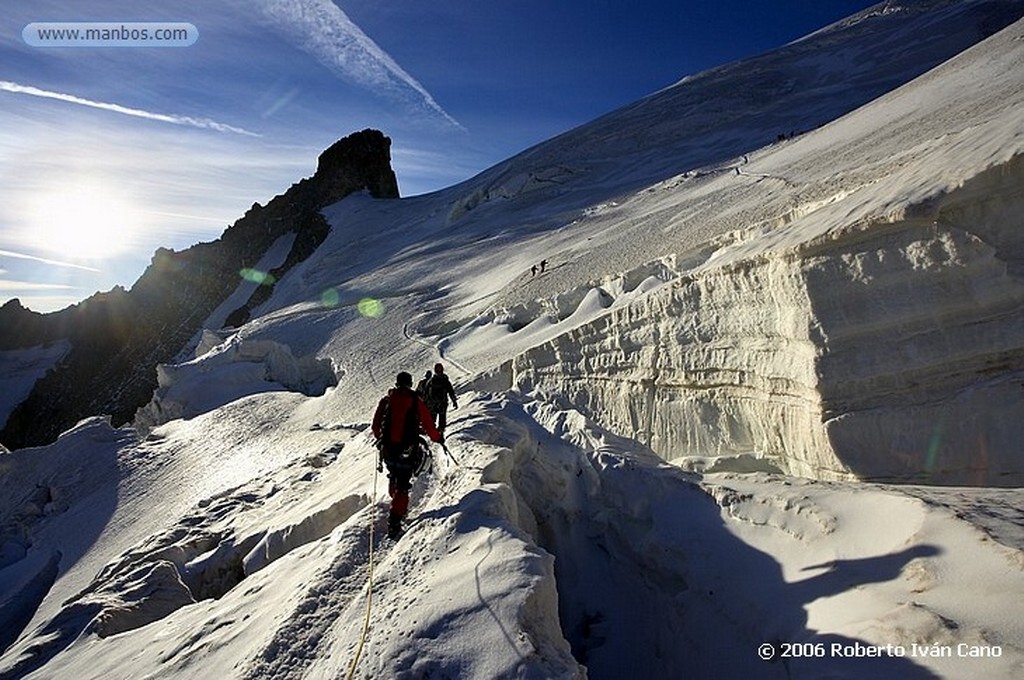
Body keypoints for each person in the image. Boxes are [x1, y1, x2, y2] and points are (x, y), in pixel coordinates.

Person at [372, 371, 443, 538]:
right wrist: (437, 438)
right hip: (407, 450)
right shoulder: (415, 400)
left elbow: (375, 426)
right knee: (403, 485)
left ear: (397, 383)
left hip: (388, 450)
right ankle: (395, 521)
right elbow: (427, 422)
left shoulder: (387, 400)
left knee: (394, 476)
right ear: (410, 384)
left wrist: (383, 440)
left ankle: (396, 504)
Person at [424, 362, 458, 434]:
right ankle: (440, 432)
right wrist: (454, 401)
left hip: (432, 404)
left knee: (432, 418)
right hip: (442, 403)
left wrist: (425, 403)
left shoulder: (430, 381)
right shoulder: (445, 380)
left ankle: (432, 432)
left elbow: (425, 393)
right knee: (442, 418)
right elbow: (451, 391)